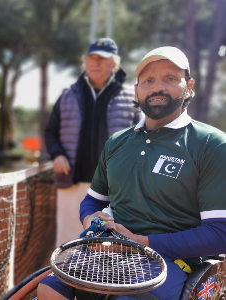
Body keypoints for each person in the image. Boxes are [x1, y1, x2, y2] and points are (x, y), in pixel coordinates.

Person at [38, 46, 226, 300]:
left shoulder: (211, 144)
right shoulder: (116, 142)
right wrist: (90, 220)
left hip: (168, 262)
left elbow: (220, 232)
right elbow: (93, 200)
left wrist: (142, 241)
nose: (157, 87)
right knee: (48, 289)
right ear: (136, 92)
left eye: (170, 78)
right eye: (148, 80)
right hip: (106, 253)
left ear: (189, 86)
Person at [44, 37, 140, 247]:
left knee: (106, 243)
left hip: (113, 187)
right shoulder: (67, 95)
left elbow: (141, 139)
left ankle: (96, 280)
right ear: (85, 62)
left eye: (103, 59)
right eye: (92, 58)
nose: (96, 63)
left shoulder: (130, 98)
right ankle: (64, 278)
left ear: (114, 63)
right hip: (71, 182)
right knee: (67, 240)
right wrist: (58, 155)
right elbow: (50, 132)